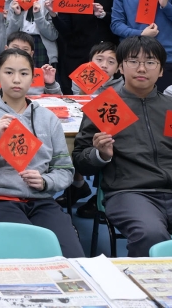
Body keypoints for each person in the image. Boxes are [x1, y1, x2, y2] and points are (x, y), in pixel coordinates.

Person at [73, 37, 172, 257]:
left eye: (150, 62)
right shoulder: (105, 107)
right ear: (121, 67)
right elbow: (80, 162)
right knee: (150, 234)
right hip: (129, 193)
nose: (142, 68)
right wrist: (100, 155)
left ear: (161, 70)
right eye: (133, 61)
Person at [0, 48, 83, 258]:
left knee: (71, 256)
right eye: (9, 72)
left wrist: (45, 181)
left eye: (24, 73)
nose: (16, 79)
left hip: (42, 201)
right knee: (29, 252)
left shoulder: (48, 118)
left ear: (33, 78)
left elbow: (65, 169)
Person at [62, 41, 124, 217]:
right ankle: (78, 185)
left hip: (110, 131)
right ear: (90, 62)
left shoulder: (122, 86)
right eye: (99, 59)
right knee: (75, 142)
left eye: (111, 62)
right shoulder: (82, 78)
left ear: (119, 68)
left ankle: (100, 197)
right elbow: (76, 105)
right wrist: (85, 91)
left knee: (107, 146)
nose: (104, 65)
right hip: (84, 126)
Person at [50, 0, 117, 94]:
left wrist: (103, 15)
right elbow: (65, 31)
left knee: (105, 98)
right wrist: (53, 15)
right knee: (80, 97)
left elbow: (119, 21)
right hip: (77, 56)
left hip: (104, 56)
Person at [6, 0, 58, 69]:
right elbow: (9, 34)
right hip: (20, 43)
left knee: (41, 77)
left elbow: (53, 35)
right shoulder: (15, 2)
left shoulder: (48, 2)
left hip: (41, 45)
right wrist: (16, 15)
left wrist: (38, 15)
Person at [0, 32, 61, 96]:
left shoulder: (41, 75)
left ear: (31, 54)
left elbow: (59, 102)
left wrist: (51, 84)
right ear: (6, 49)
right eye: (15, 48)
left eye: (25, 49)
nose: (19, 52)